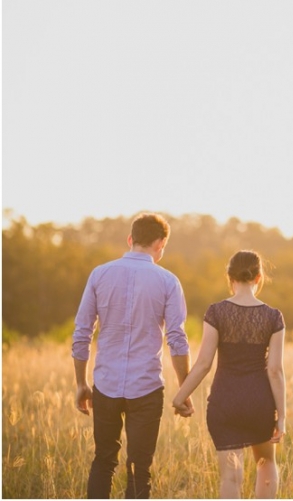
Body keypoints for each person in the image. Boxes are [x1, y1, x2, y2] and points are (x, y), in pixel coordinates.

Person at [72, 213, 193, 499]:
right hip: (147, 388)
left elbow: (82, 333)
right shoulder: (168, 281)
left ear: (130, 239)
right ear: (160, 244)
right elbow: (176, 339)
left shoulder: (99, 274)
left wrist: (81, 383)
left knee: (103, 461)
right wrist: (185, 389)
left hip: (105, 385)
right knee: (140, 469)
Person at [173, 250, 286, 499]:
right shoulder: (273, 317)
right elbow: (275, 371)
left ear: (230, 276)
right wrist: (282, 417)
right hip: (260, 403)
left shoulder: (216, 312)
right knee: (266, 464)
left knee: (230, 477)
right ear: (258, 277)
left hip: (225, 403)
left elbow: (203, 363)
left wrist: (179, 397)